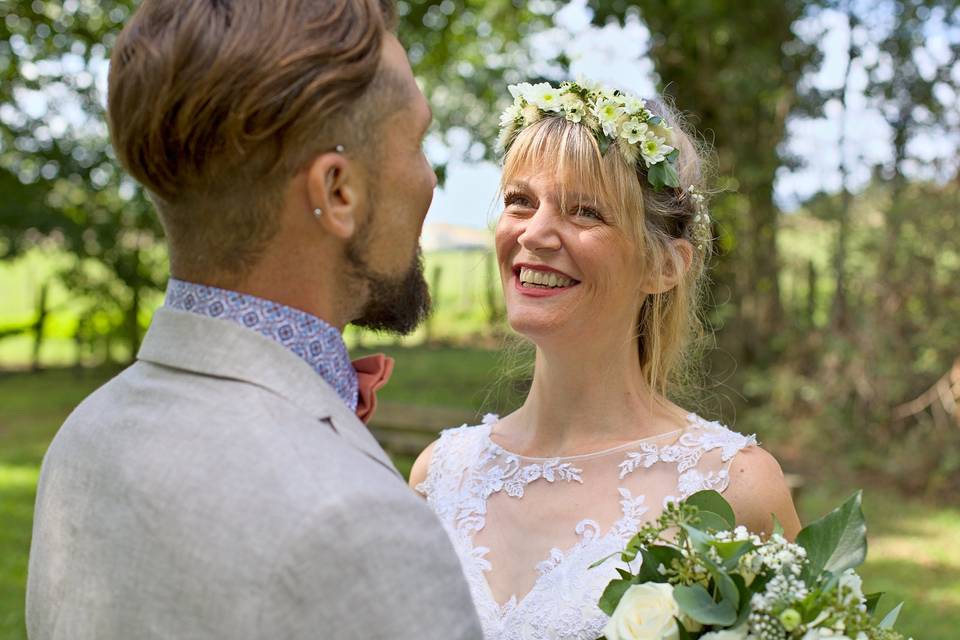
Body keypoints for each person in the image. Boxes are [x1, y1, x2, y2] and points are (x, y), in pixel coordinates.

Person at [26, 1, 482, 638]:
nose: (430, 180)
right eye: (418, 142)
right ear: (337, 192)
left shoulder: (82, 438)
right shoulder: (357, 526)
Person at [410, 80, 802, 639]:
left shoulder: (734, 488)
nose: (536, 233)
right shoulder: (439, 477)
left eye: (584, 211)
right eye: (520, 200)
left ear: (664, 266)